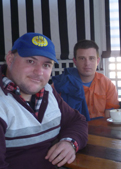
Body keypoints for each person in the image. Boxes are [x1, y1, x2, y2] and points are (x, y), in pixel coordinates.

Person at [0, 33, 88, 168]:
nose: (39, 72)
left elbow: (76, 120)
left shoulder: (48, 91)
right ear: (10, 59)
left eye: (46, 65)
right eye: (30, 61)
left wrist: (69, 142)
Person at [52, 40, 120, 121]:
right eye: (82, 58)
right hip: (71, 130)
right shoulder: (61, 84)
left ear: (97, 61)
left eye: (91, 58)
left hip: (100, 130)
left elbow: (110, 117)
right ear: (75, 61)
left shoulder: (107, 84)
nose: (87, 63)